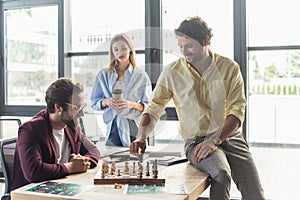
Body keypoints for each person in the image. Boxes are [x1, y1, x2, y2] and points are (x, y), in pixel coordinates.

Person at [130, 16, 265, 200]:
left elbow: (237, 111)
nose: (184, 51)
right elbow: (154, 108)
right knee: (221, 172)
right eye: (181, 46)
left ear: (206, 41)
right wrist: (141, 136)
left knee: (255, 194)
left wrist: (215, 140)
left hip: (231, 137)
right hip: (196, 140)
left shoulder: (229, 68)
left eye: (190, 46)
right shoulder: (172, 72)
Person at [11, 78, 100, 192]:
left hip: (62, 189)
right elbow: (33, 172)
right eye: (77, 108)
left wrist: (82, 163)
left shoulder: (71, 127)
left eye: (83, 107)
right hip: (31, 195)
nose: (82, 114)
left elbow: (93, 150)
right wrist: (71, 167)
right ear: (58, 107)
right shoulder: (30, 130)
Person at [91, 33, 152, 147]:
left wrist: (131, 104)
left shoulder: (141, 76)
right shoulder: (103, 75)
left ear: (130, 50)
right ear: (112, 52)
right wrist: (106, 101)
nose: (120, 53)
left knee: (136, 162)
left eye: (124, 48)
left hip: (134, 125)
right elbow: (94, 102)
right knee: (112, 162)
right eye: (116, 49)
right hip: (113, 126)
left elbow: (149, 106)